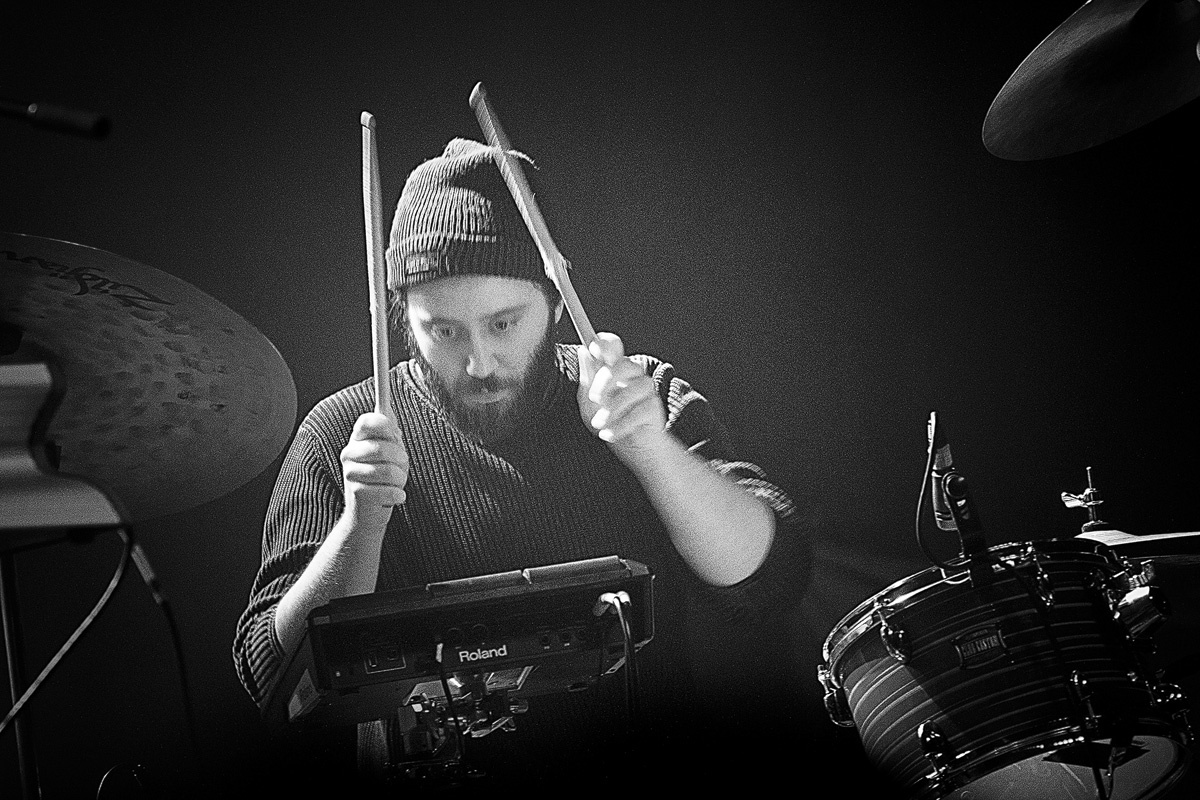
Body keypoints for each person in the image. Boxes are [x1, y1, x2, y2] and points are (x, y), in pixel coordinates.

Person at [232, 138, 808, 792]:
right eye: (443, 331)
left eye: (503, 324)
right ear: (401, 318)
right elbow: (276, 680)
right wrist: (361, 524)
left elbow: (774, 575)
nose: (478, 362)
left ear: (556, 301)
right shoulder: (343, 432)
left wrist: (652, 452)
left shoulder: (635, 394)